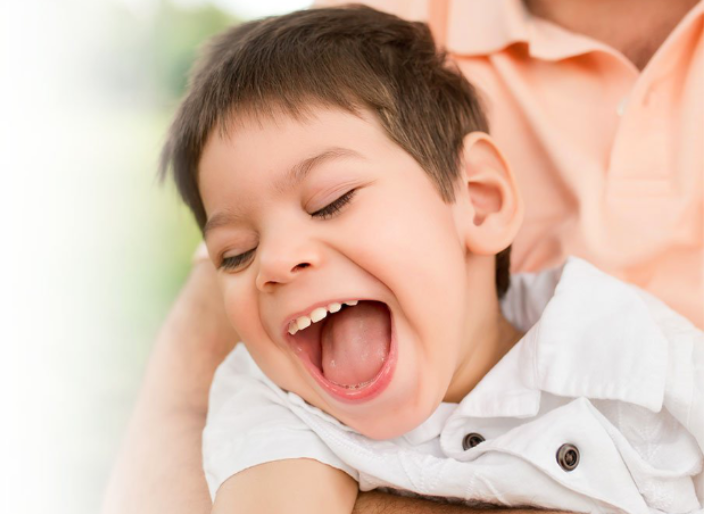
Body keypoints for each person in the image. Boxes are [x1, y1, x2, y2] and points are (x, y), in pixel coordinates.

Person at [100, 0, 704, 513]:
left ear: (481, 200)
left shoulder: (631, 350)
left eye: (331, 202)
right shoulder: (272, 404)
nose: (276, 262)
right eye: (237, 253)